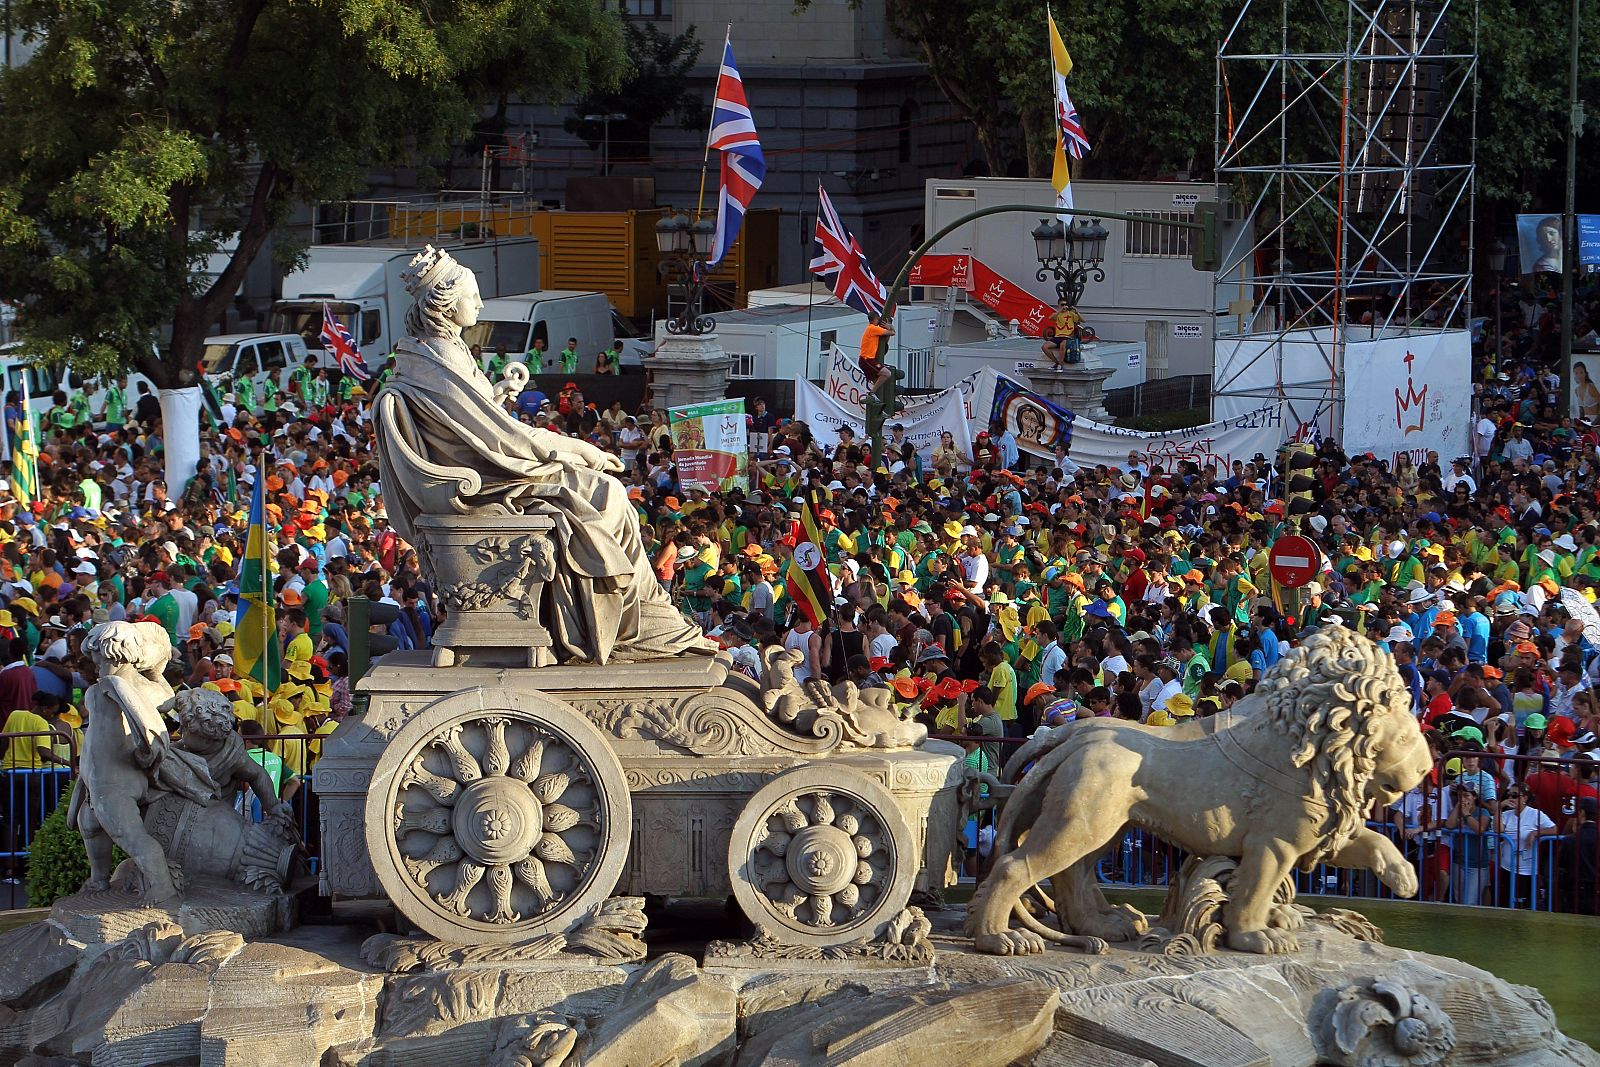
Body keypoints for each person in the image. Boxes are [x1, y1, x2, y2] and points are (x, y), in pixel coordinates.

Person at [372, 246, 706, 664]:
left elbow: (472, 428)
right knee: (609, 495)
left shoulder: (428, 354)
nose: (478, 304)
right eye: (472, 296)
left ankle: (640, 606)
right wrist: (581, 449)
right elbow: (511, 442)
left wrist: (494, 397)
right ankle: (634, 618)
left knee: (603, 492)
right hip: (491, 485)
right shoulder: (439, 360)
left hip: (485, 474)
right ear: (444, 302)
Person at [1496, 784, 1558, 908]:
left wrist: (1535, 833)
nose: (1510, 798)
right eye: (1509, 794)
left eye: (1514, 795)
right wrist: (1499, 808)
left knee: (1524, 906)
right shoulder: (1507, 814)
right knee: (1506, 904)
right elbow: (1498, 830)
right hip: (1507, 867)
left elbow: (1554, 829)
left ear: (1524, 798)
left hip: (1527, 870)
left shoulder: (1535, 814)